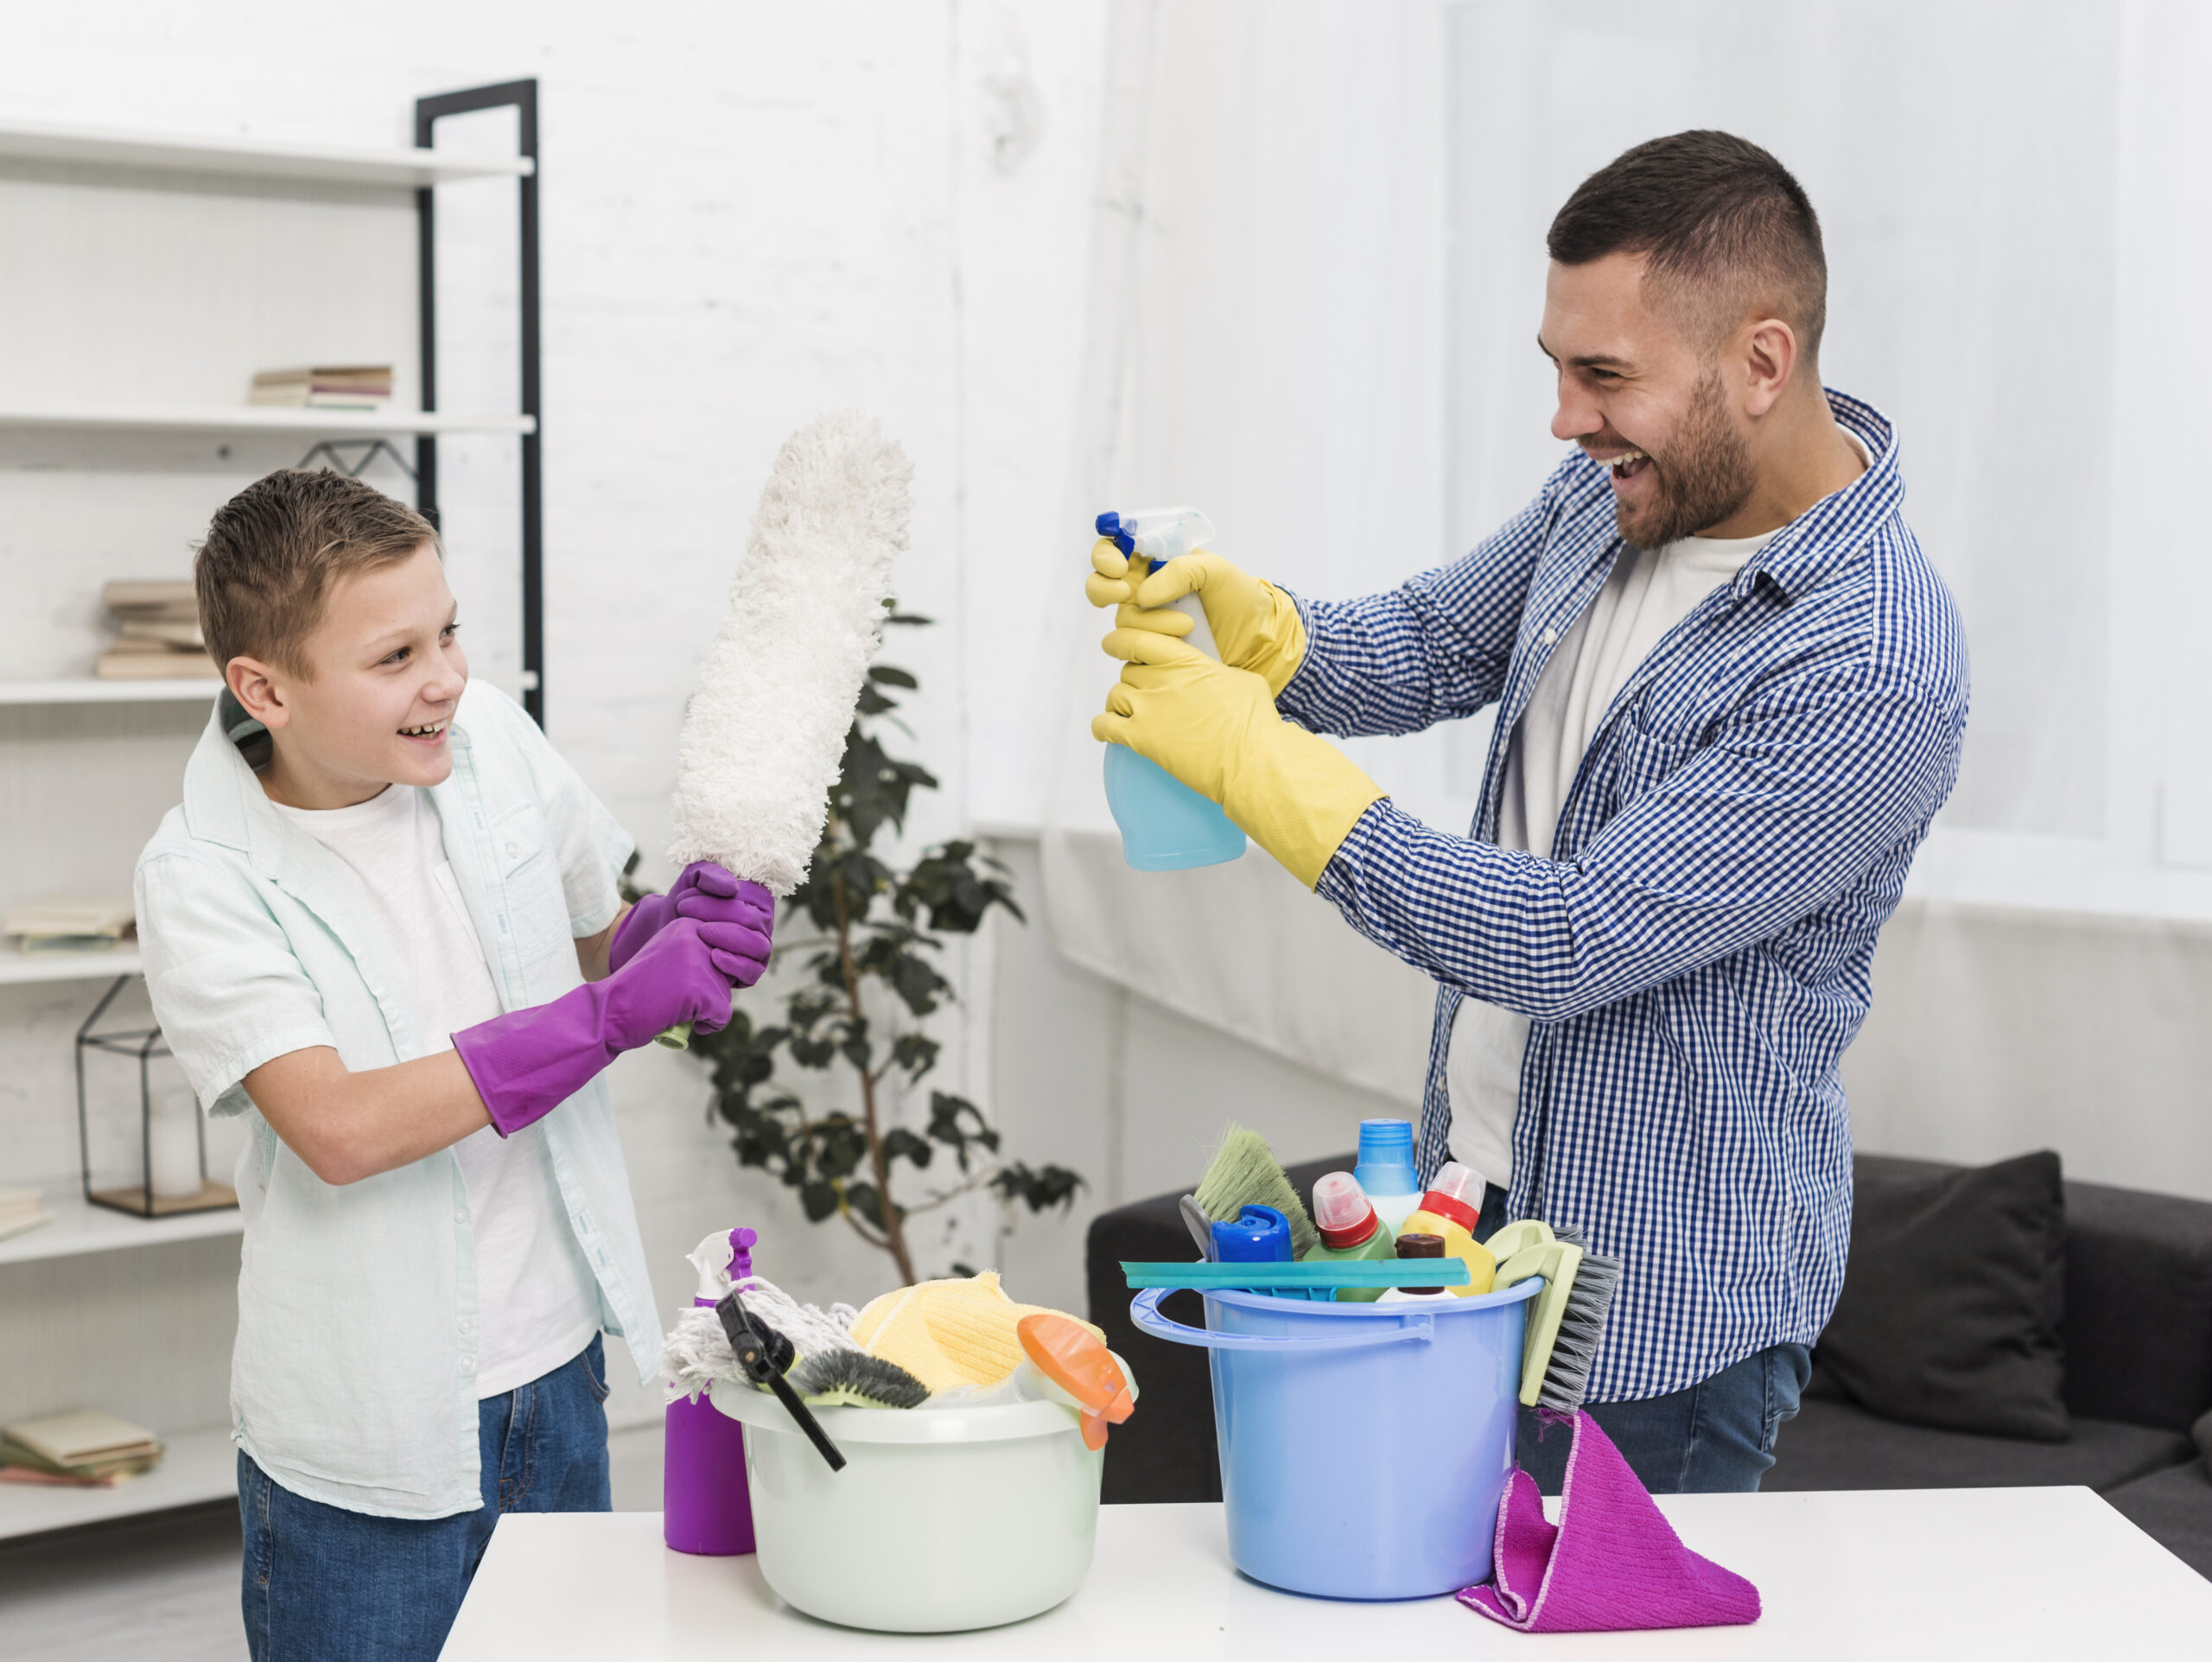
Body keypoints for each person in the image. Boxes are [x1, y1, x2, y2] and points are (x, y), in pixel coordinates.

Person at [1087, 130, 1968, 1493]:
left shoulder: (1869, 663)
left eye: (1603, 376)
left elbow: (1565, 940)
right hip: (1477, 1218)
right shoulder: (1621, 487)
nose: (1565, 418)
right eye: (1558, 370)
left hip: (1662, 1312)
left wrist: (1262, 772)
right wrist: (1260, 631)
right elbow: (1432, 643)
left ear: (1761, 361)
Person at [136, 470, 773, 1660]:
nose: (447, 678)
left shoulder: (485, 744)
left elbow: (589, 945)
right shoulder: (201, 874)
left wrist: (664, 933)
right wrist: (611, 1015)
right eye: (395, 657)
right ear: (264, 688)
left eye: (449, 631)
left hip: (556, 1376)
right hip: (365, 1432)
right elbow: (338, 1129)